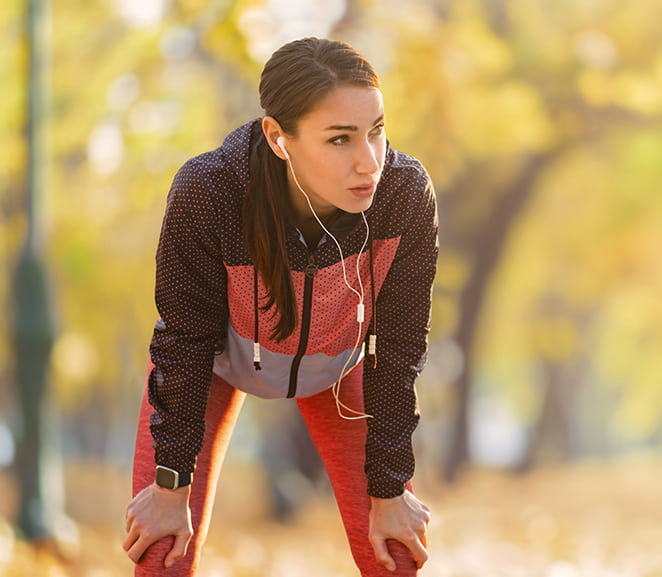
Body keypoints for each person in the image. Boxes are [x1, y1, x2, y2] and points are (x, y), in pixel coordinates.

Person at [122, 37, 438, 577]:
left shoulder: (404, 194)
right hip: (215, 364)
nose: (370, 162)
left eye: (377, 131)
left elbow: (401, 350)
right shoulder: (211, 191)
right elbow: (184, 340)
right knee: (160, 554)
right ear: (278, 137)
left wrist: (390, 488)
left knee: (396, 557)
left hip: (343, 372)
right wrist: (171, 485)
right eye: (340, 139)